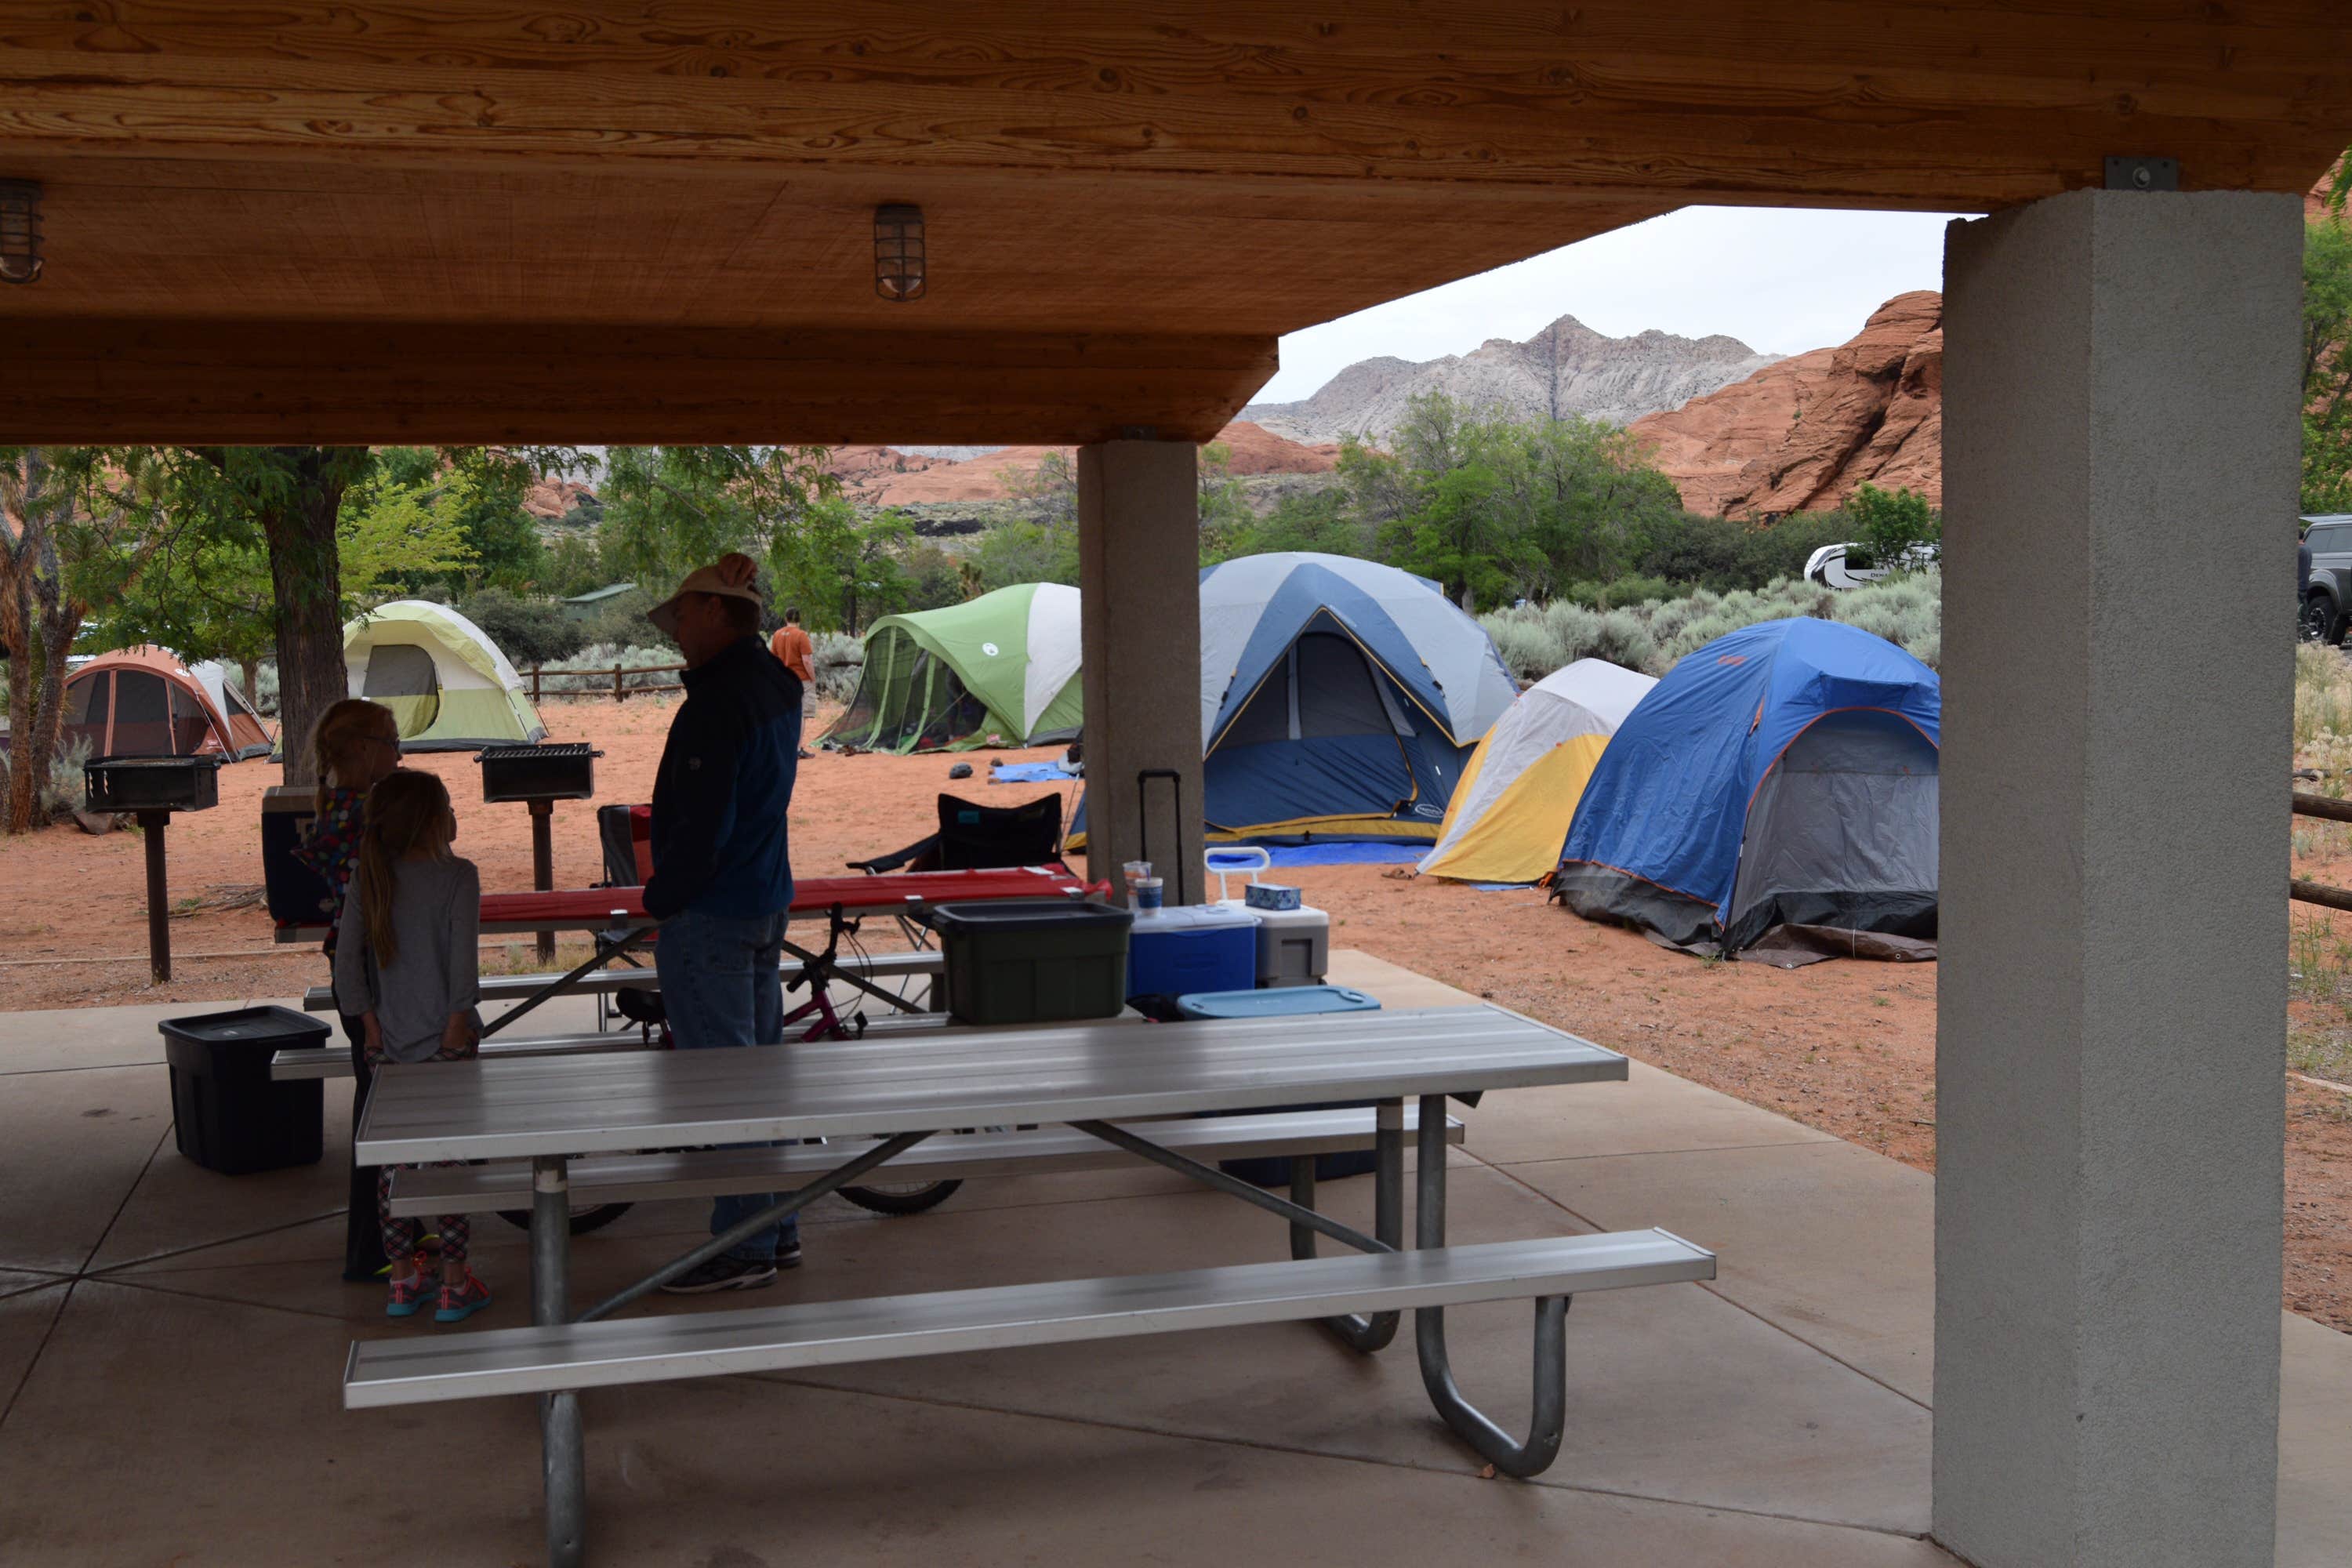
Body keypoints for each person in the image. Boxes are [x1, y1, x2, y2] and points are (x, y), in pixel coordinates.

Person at [643, 554, 807, 1294]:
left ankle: (744, 1243)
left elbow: (707, 821)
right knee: (758, 1076)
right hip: (763, 894)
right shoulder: (774, 682)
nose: (676, 629)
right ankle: (775, 1223)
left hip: (712, 910)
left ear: (715, 614)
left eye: (683, 614)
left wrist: (662, 895)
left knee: (725, 1086)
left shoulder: (717, 700)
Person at [333, 769, 492, 1323]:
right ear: (431, 821)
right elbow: (463, 963)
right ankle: (453, 1283)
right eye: (448, 805)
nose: (455, 814)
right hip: (445, 1041)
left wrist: (370, 1026)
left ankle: (402, 1281)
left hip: (390, 1046)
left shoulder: (369, 876)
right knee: (449, 1163)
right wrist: (456, 1023)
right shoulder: (459, 876)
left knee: (393, 1169)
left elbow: (345, 963)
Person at [291, 697, 405, 1283]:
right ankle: (372, 1246)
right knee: (381, 1104)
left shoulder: (343, 807)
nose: (399, 752)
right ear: (363, 750)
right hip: (370, 969)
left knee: (381, 1098)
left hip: (362, 964)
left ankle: (392, 1233)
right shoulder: (367, 815)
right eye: (391, 740)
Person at [769, 605, 818, 760]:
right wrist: (813, 678)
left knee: (786, 713)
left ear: (786, 618)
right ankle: (797, 748)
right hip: (801, 679)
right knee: (802, 714)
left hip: (784, 679)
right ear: (799, 619)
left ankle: (785, 746)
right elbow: (807, 660)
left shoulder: (777, 635)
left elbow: (773, 659)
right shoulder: (801, 635)